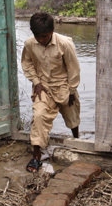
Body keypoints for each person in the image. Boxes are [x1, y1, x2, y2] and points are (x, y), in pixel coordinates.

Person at [21, 11, 81, 172]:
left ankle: (78, 142)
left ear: (52, 31)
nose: (42, 40)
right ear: (34, 34)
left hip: (64, 86)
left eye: (45, 36)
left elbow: (73, 68)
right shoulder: (29, 44)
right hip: (43, 88)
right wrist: (36, 82)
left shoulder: (65, 44)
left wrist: (72, 91)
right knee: (39, 116)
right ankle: (36, 156)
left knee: (72, 117)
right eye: (38, 36)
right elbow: (26, 64)